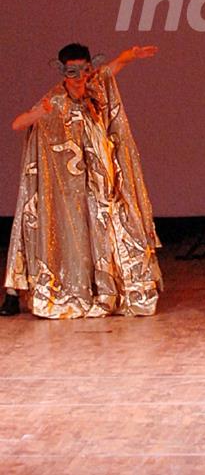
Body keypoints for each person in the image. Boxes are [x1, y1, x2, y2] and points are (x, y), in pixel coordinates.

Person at [1, 43, 162, 319]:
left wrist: (130, 56)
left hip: (100, 185)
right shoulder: (56, 100)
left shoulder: (97, 88)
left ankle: (116, 289)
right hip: (69, 191)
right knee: (73, 238)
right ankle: (48, 290)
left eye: (84, 71)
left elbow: (113, 68)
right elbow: (18, 124)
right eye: (72, 72)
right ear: (63, 73)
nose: (79, 78)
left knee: (117, 229)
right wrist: (41, 112)